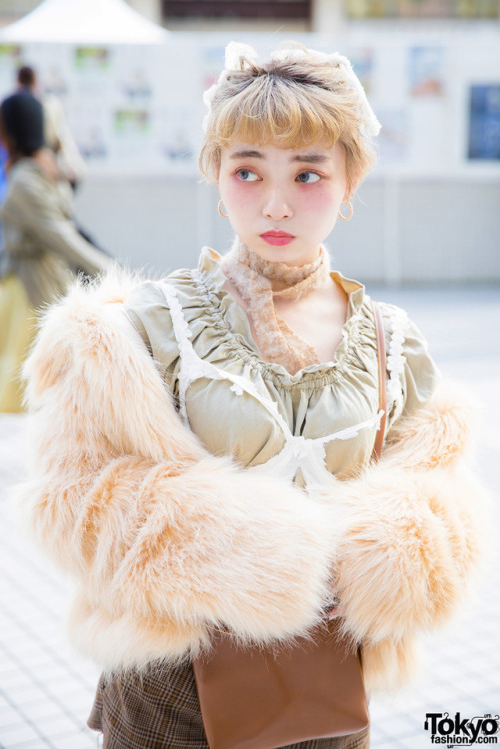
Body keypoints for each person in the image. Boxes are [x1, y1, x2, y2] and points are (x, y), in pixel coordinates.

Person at [18, 43, 487, 749]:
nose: (275, 203)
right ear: (215, 174)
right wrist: (238, 550)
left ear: (350, 181)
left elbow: (443, 499)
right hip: (170, 684)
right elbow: (71, 496)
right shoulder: (145, 328)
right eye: (247, 170)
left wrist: (384, 556)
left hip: (324, 686)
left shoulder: (394, 343)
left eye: (307, 173)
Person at [0, 91, 112, 412]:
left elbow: (62, 236)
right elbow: (63, 235)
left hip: (30, 291)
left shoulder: (27, 179)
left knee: (24, 384)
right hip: (38, 286)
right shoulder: (42, 173)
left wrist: (113, 274)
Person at [17, 65, 87, 190]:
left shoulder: (46, 105)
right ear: (35, 82)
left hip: (39, 166)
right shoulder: (50, 104)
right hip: (43, 167)